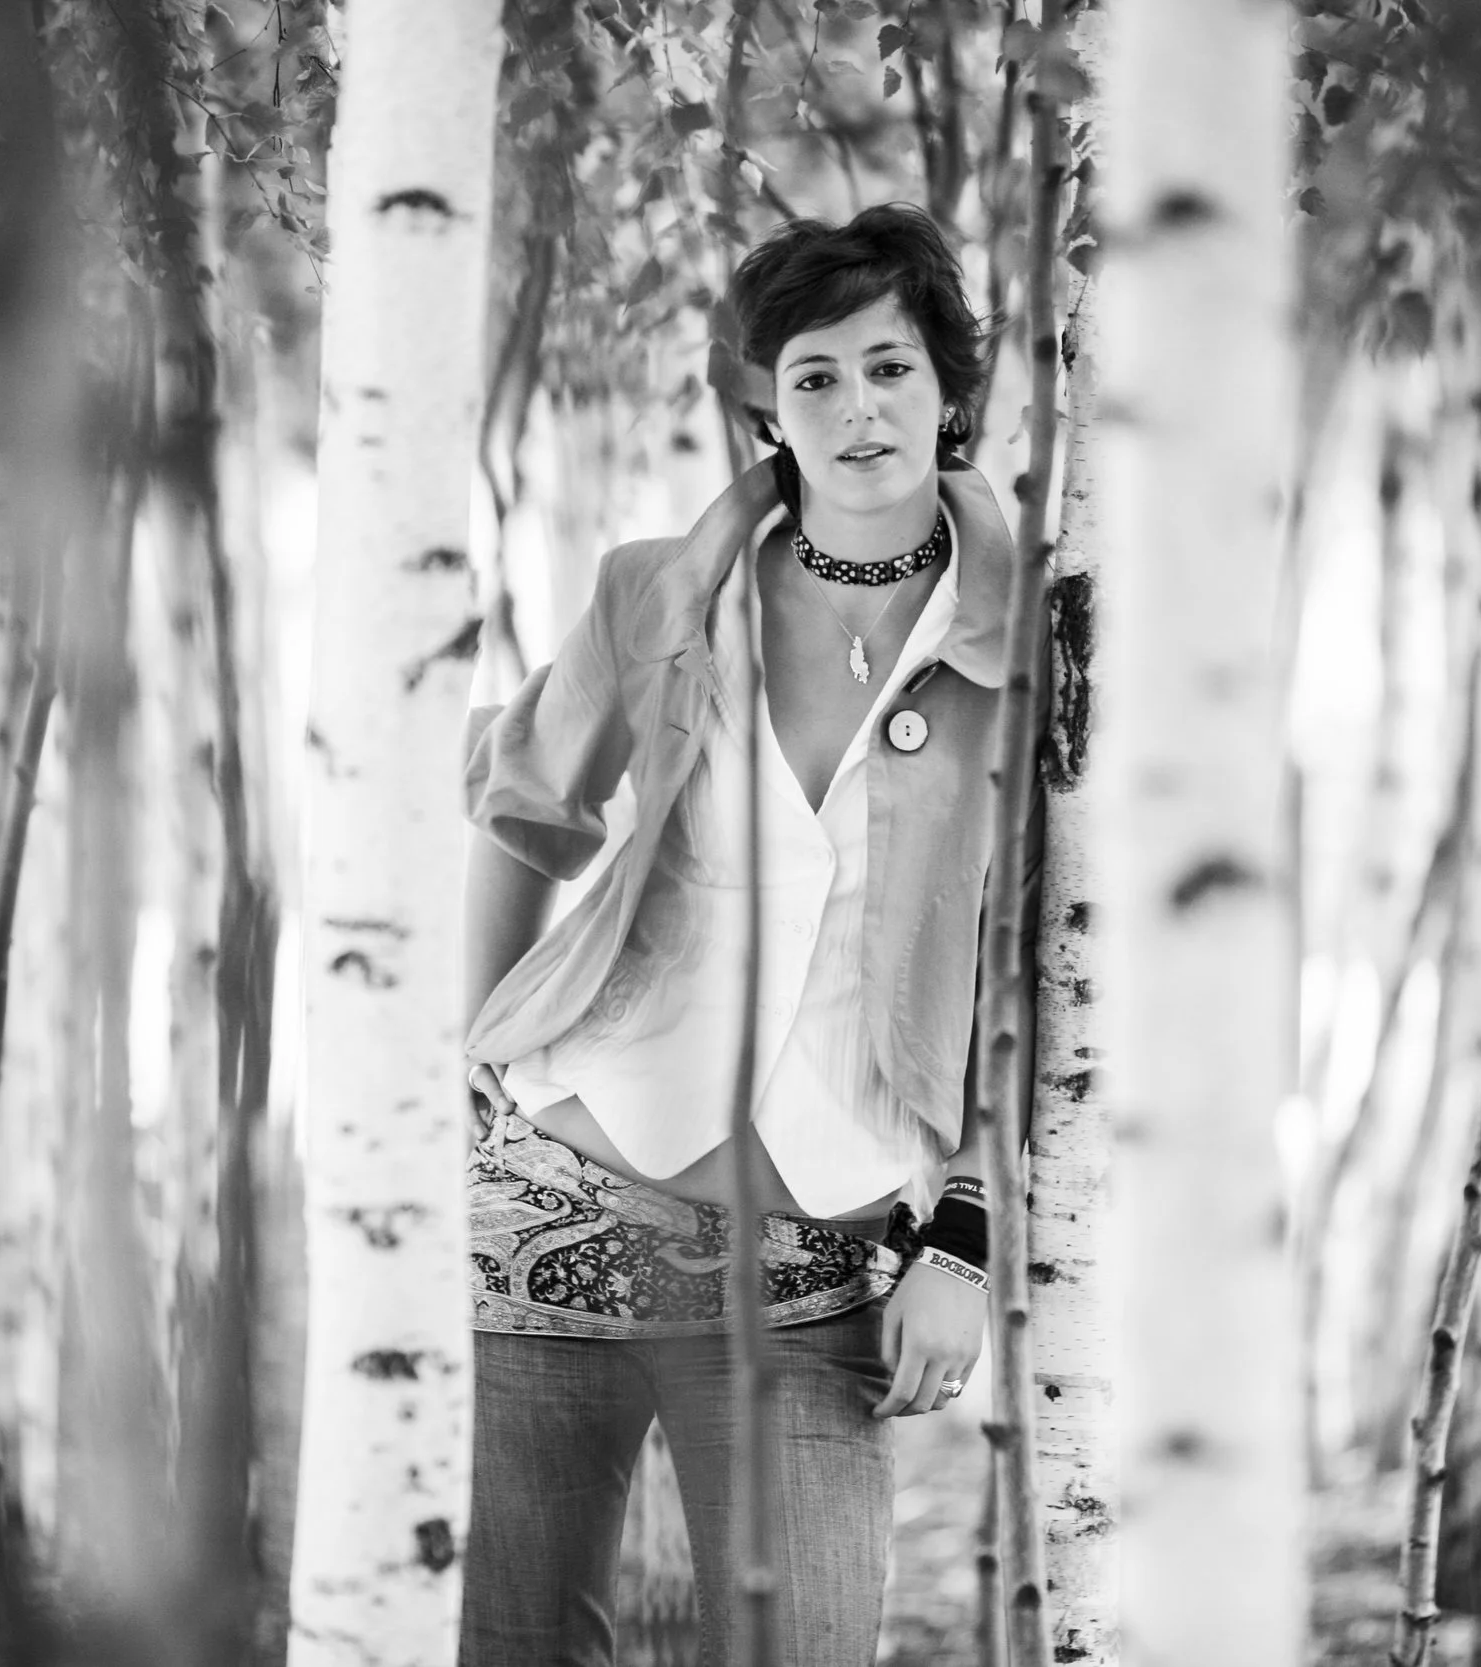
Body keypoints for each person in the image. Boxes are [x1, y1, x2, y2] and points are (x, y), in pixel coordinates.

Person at [458, 202, 1014, 1667]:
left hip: (816, 1272)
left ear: (949, 386)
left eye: (888, 367)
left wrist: (966, 1237)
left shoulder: (1035, 647)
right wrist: (461, 1059)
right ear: (771, 405)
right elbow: (523, 808)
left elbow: (1041, 967)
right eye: (814, 377)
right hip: (551, 1214)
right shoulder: (661, 591)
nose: (856, 407)